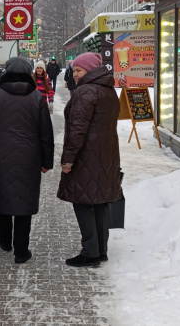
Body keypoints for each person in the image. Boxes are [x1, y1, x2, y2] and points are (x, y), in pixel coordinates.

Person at [0, 57, 54, 264]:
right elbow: (46, 132)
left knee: (2, 197)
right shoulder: (37, 97)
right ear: (28, 73)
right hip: (30, 156)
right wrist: (47, 161)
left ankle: (5, 241)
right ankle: (21, 250)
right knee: (24, 201)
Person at [57, 52, 122, 268]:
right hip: (106, 155)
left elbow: (77, 131)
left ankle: (90, 252)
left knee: (83, 203)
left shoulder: (85, 91)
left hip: (86, 157)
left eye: (79, 70)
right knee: (100, 202)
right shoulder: (108, 90)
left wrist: (68, 160)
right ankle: (101, 250)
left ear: (91, 71)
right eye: (74, 70)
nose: (75, 74)